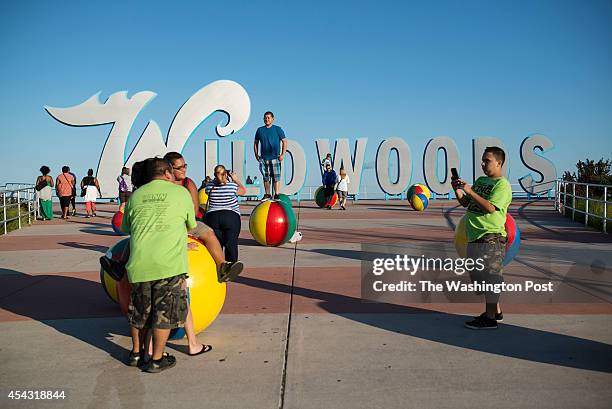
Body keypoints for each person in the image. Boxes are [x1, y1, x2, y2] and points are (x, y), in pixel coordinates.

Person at [121, 157, 196, 372]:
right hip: (169, 265)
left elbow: (126, 228)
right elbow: (191, 224)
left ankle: (136, 354)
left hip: (139, 264)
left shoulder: (136, 196)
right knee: (163, 314)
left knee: (140, 313)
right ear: (167, 173)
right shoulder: (180, 193)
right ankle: (156, 358)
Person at [451, 146, 512, 330]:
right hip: (474, 236)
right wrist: (458, 190)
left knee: (491, 277)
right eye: (483, 160)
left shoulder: (502, 185)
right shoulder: (481, 181)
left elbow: (490, 208)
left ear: (499, 163)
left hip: (491, 237)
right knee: (480, 278)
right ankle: (496, 311)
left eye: (487, 160)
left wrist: (470, 190)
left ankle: (490, 319)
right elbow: (466, 203)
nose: (483, 164)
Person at [205, 165, 246, 263]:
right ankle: (230, 266)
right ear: (226, 174)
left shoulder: (209, 187)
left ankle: (218, 265)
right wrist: (235, 179)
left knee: (217, 245)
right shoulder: (232, 186)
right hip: (230, 216)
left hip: (212, 218)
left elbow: (209, 189)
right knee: (231, 243)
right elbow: (243, 191)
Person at [254, 111, 287, 200]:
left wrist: (283, 154)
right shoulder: (260, 130)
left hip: (275, 157)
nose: (267, 119)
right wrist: (256, 154)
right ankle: (267, 194)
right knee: (265, 177)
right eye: (265, 118)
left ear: (273, 119)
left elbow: (284, 141)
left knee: (276, 177)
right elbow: (256, 143)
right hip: (264, 158)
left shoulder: (277, 129)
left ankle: (276, 194)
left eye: (268, 117)